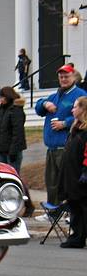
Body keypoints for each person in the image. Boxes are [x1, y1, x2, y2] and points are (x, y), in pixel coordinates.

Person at [34, 64, 87, 205]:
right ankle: (52, 209)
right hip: (51, 147)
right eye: (61, 77)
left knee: (66, 180)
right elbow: (38, 108)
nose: (63, 79)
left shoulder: (80, 95)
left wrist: (64, 123)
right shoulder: (55, 96)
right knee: (51, 180)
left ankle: (68, 210)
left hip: (66, 146)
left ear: (73, 77)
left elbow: (83, 115)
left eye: (66, 76)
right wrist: (45, 103)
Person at [57, 96, 87, 248]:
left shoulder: (85, 132)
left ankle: (80, 236)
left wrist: (85, 171)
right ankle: (77, 236)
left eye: (76, 107)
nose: (72, 109)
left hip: (81, 175)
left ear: (83, 110)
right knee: (74, 206)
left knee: (83, 207)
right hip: (71, 174)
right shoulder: (75, 129)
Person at [0, 87, 27, 172]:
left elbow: (18, 132)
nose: (0, 99)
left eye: (2, 97)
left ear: (7, 97)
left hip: (12, 150)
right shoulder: (2, 108)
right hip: (0, 149)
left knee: (12, 173)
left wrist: (13, 151)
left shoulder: (16, 110)